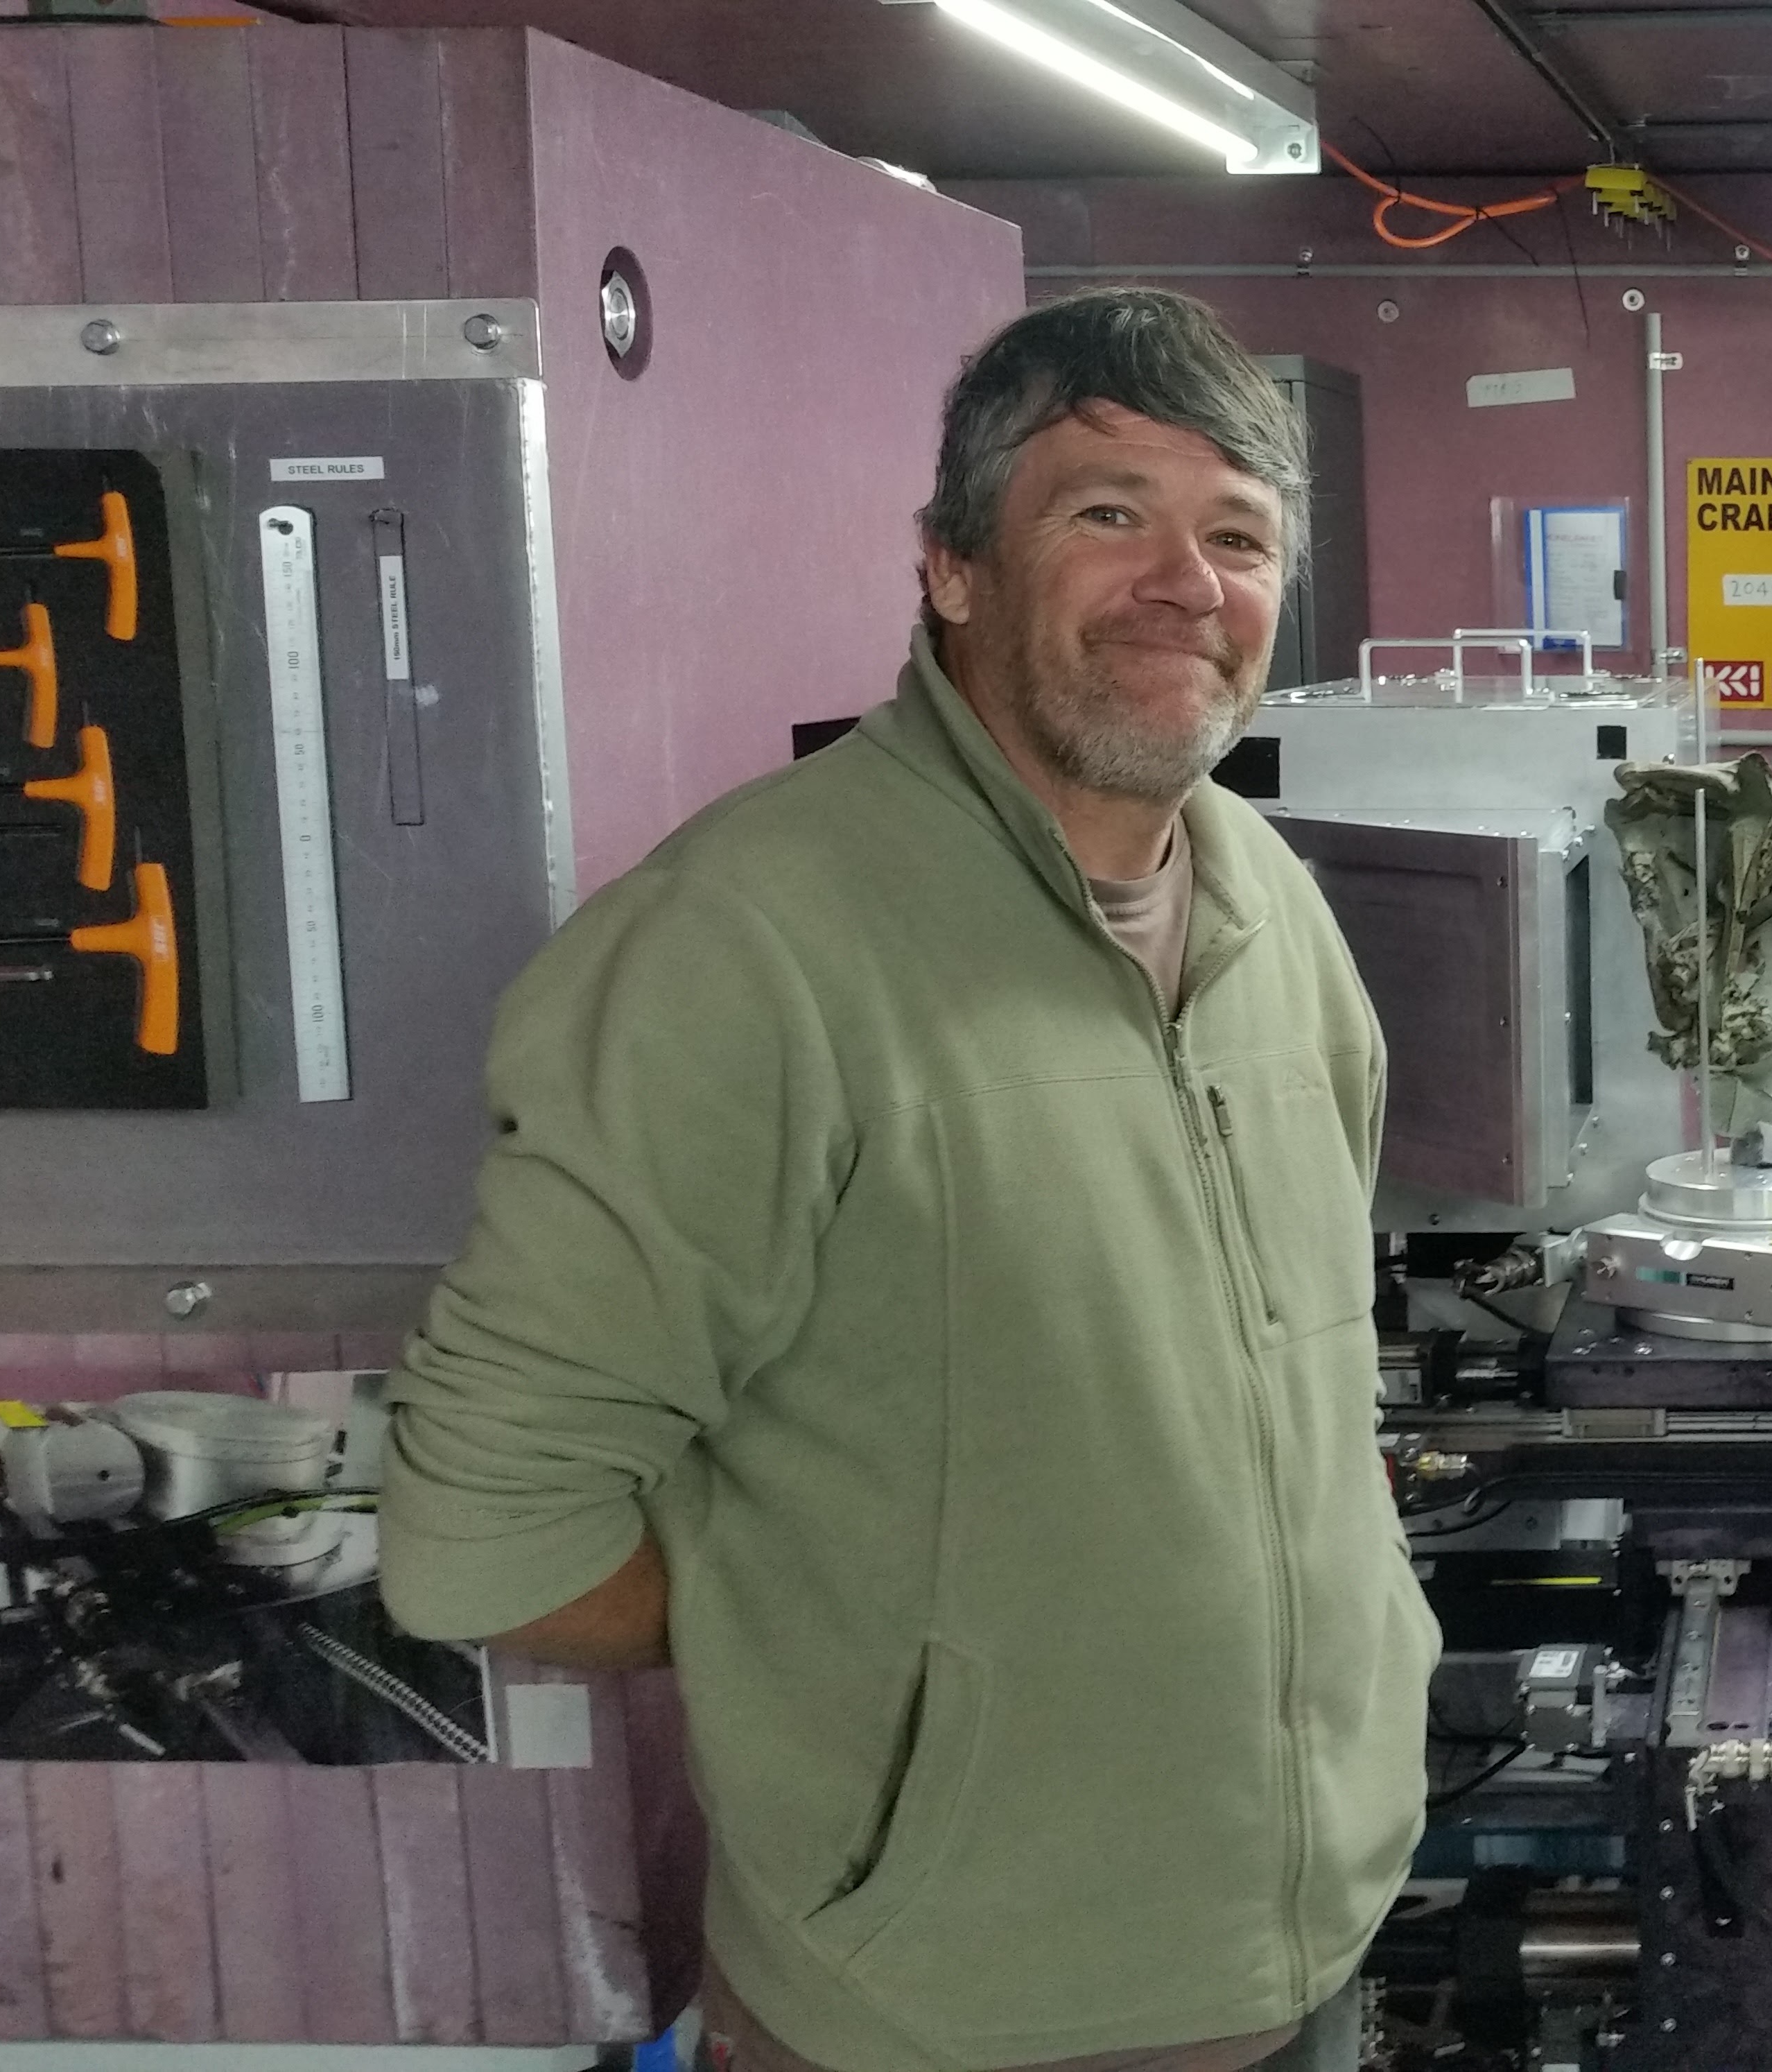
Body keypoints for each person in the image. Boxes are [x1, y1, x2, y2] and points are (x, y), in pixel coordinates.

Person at [381, 289, 1432, 2072]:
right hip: (946, 2010)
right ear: (952, 567)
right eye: (1109, 512)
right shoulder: (745, 948)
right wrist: (851, 1648)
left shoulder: (1273, 906)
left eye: (1238, 536)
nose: (1186, 583)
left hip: (1302, 1944)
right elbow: (487, 1543)